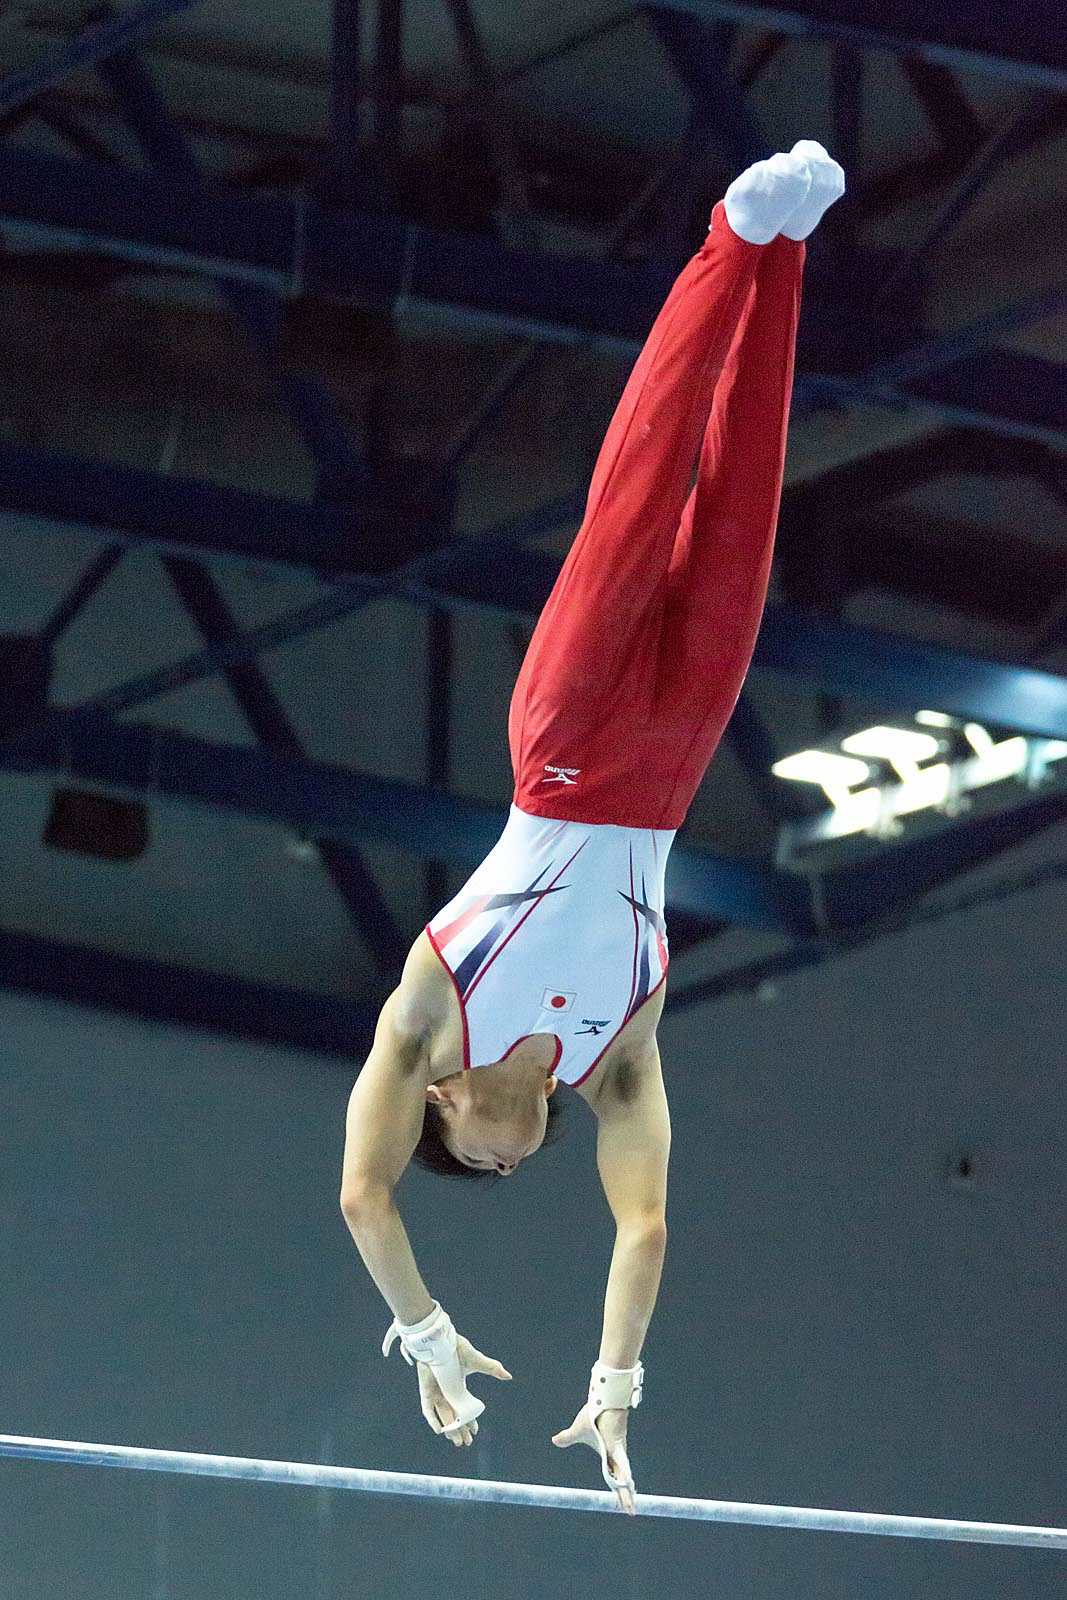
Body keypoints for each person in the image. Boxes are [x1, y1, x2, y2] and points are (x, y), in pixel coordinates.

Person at [340, 142, 845, 1515]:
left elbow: (363, 1201)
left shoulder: (428, 1025)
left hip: (560, 751)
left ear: (446, 1109)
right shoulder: (618, 1059)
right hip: (675, 766)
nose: (508, 1164)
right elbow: (647, 1222)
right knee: (741, 513)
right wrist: (617, 1379)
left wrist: (426, 1332)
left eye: (479, 1161)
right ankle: (790, 254)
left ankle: (730, 238)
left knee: (643, 484)